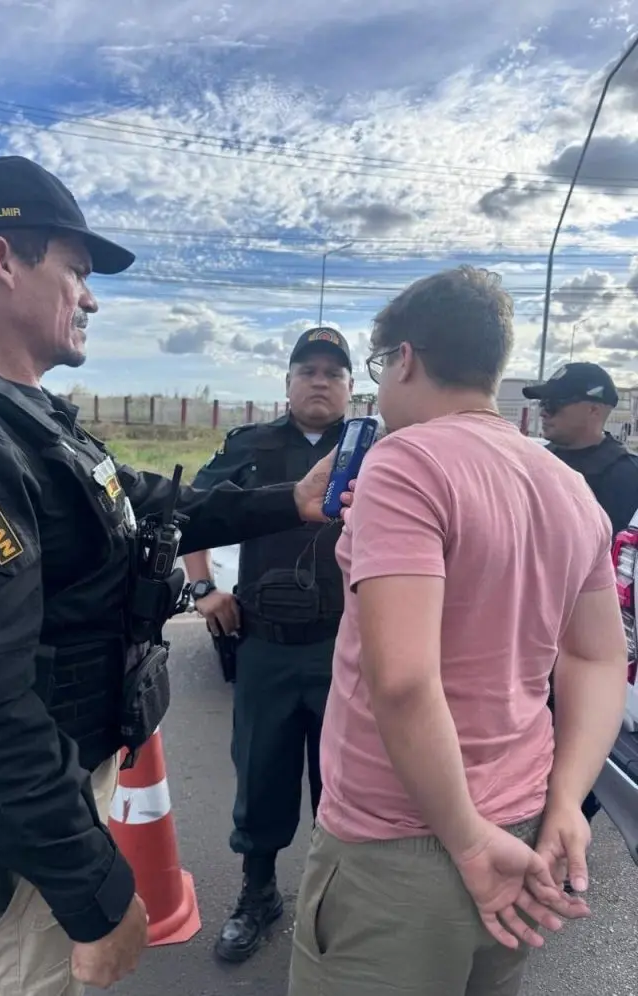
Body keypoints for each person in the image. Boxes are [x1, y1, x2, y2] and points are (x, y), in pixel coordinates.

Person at [0, 155, 349, 996]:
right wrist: (95, 889)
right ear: (3, 260)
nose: (91, 297)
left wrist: (292, 501)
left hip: (47, 801)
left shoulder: (25, 420)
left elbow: (147, 507)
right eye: (78, 271)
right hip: (13, 831)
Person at [288, 265, 627, 996]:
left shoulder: (405, 462)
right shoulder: (567, 486)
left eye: (380, 367)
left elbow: (405, 682)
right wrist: (567, 798)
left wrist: (467, 842)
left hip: (401, 840)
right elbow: (600, 656)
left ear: (405, 358)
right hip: (527, 821)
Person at [183, 326, 355, 964]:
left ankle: (340, 901)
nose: (319, 380)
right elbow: (191, 512)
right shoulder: (249, 446)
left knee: (346, 784)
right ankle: (259, 895)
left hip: (347, 650)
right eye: (306, 370)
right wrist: (203, 587)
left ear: (349, 387)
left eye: (332, 373)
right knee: (261, 773)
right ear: (286, 383)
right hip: (265, 647)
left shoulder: (380, 449)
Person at [522, 361, 638, 826]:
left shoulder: (630, 479)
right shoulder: (526, 465)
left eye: (557, 401)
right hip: (520, 643)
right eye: (542, 400)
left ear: (596, 408)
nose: (544, 409)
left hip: (590, 650)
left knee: (580, 771)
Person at [523, 361, 638, 538]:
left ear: (593, 410)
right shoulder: (535, 460)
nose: (543, 412)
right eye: (542, 403)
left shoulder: (627, 476)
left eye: (554, 403)